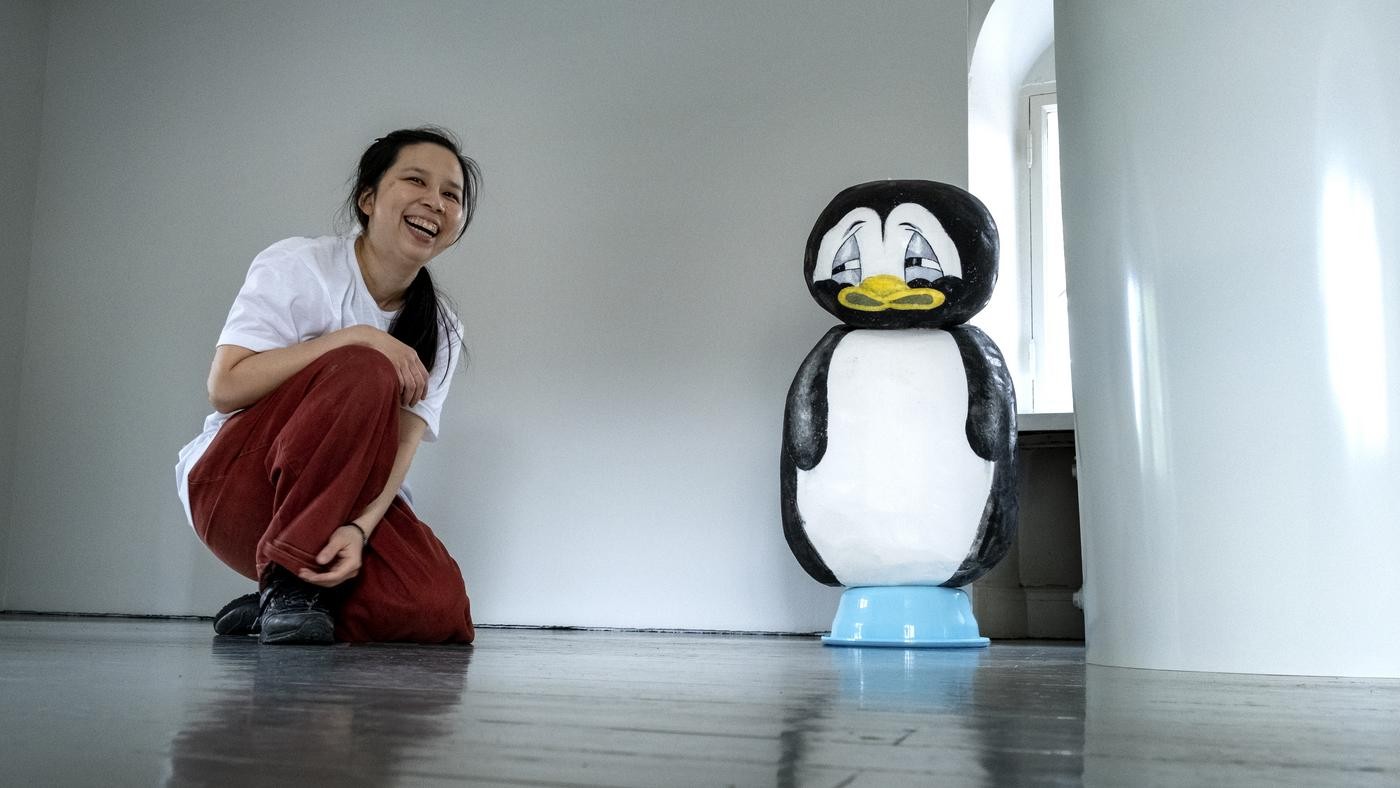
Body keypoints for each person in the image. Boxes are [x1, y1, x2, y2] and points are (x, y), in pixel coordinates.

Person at [174, 127, 481, 645]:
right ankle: (288, 578)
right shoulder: (300, 265)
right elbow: (225, 387)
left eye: (451, 194)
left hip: (343, 506)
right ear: (368, 198)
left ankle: (281, 597)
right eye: (415, 180)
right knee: (364, 365)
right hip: (233, 487)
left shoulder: (442, 327)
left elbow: (402, 446)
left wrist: (359, 531)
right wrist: (357, 339)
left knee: (436, 610)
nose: (435, 201)